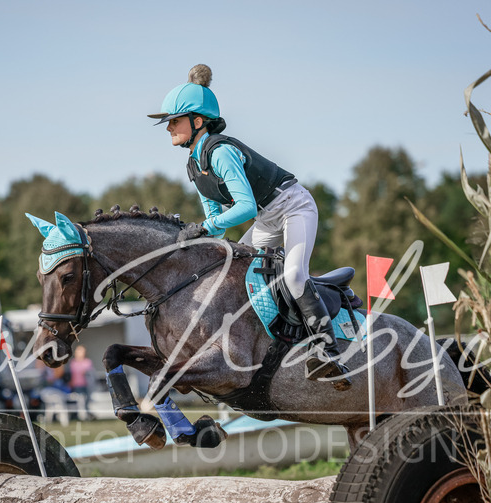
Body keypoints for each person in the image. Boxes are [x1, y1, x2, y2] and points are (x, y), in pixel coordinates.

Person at [148, 64, 351, 390]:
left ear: (198, 121)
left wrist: (204, 226)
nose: (168, 127)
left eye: (174, 120)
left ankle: (327, 349)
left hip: (293, 207)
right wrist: (187, 241)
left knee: (295, 275)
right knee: (236, 271)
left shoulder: (221, 152)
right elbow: (215, 227)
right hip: (266, 219)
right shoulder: (194, 165)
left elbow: (241, 207)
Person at [68, 345, 95, 420]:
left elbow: (90, 373)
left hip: (86, 385)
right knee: (80, 401)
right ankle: (81, 416)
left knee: (86, 401)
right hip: (76, 385)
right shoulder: (73, 363)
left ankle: (86, 415)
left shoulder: (87, 362)